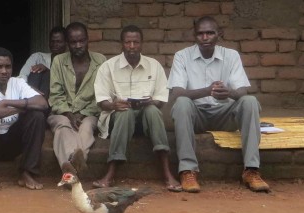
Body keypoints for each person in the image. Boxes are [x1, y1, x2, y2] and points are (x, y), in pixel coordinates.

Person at [168, 16, 269, 193]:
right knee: (182, 103)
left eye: (210, 33)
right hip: (196, 115)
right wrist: (207, 91)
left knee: (250, 101)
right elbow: (176, 93)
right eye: (200, 34)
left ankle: (251, 170)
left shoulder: (231, 55)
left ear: (219, 35)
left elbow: (242, 91)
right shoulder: (182, 56)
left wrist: (229, 93)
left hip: (225, 115)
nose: (205, 37)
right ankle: (187, 170)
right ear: (194, 36)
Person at [92, 25, 179, 191]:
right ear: (121, 44)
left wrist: (150, 102)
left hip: (145, 121)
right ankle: (110, 173)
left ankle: (167, 172)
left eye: (136, 42)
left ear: (142, 44)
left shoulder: (154, 66)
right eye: (128, 42)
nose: (132, 46)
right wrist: (114, 105)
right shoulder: (108, 67)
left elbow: (160, 100)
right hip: (117, 120)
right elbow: (102, 101)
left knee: (153, 111)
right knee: (125, 112)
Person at [0, 47, 49, 191]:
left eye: (8, 66)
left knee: (37, 116)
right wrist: (23, 107)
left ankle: (27, 172)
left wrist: (7, 102)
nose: (4, 71)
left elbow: (42, 103)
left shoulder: (18, 83)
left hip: (12, 144)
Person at [48, 22, 107, 176]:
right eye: (73, 42)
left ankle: (69, 170)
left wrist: (84, 113)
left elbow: (103, 94)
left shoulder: (100, 61)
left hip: (91, 113)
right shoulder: (59, 61)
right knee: (63, 125)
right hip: (62, 112)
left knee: (86, 127)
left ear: (88, 40)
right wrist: (68, 114)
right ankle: (74, 164)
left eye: (82, 41)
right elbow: (55, 94)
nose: (78, 45)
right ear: (67, 44)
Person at [18, 26, 68, 97]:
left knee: (44, 73)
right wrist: (30, 89)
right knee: (36, 70)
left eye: (59, 42)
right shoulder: (37, 57)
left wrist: (47, 71)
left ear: (66, 43)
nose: (55, 45)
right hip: (33, 94)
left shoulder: (71, 61)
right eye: (52, 41)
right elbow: (21, 76)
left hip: (58, 97)